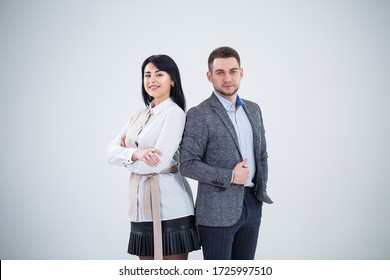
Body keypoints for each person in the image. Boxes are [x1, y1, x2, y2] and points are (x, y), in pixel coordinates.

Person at [179, 46, 273, 260]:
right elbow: (187, 164)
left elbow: (262, 154)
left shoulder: (253, 109)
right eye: (220, 72)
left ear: (242, 72)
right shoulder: (199, 114)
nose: (227, 78)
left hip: (252, 205)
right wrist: (230, 176)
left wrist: (261, 190)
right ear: (209, 76)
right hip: (216, 213)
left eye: (233, 71)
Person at [107, 54, 200, 260]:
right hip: (140, 207)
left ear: (172, 79)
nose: (152, 80)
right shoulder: (137, 114)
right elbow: (110, 152)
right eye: (147, 75)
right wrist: (137, 154)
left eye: (159, 74)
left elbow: (157, 163)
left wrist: (125, 159)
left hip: (171, 206)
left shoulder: (174, 114)